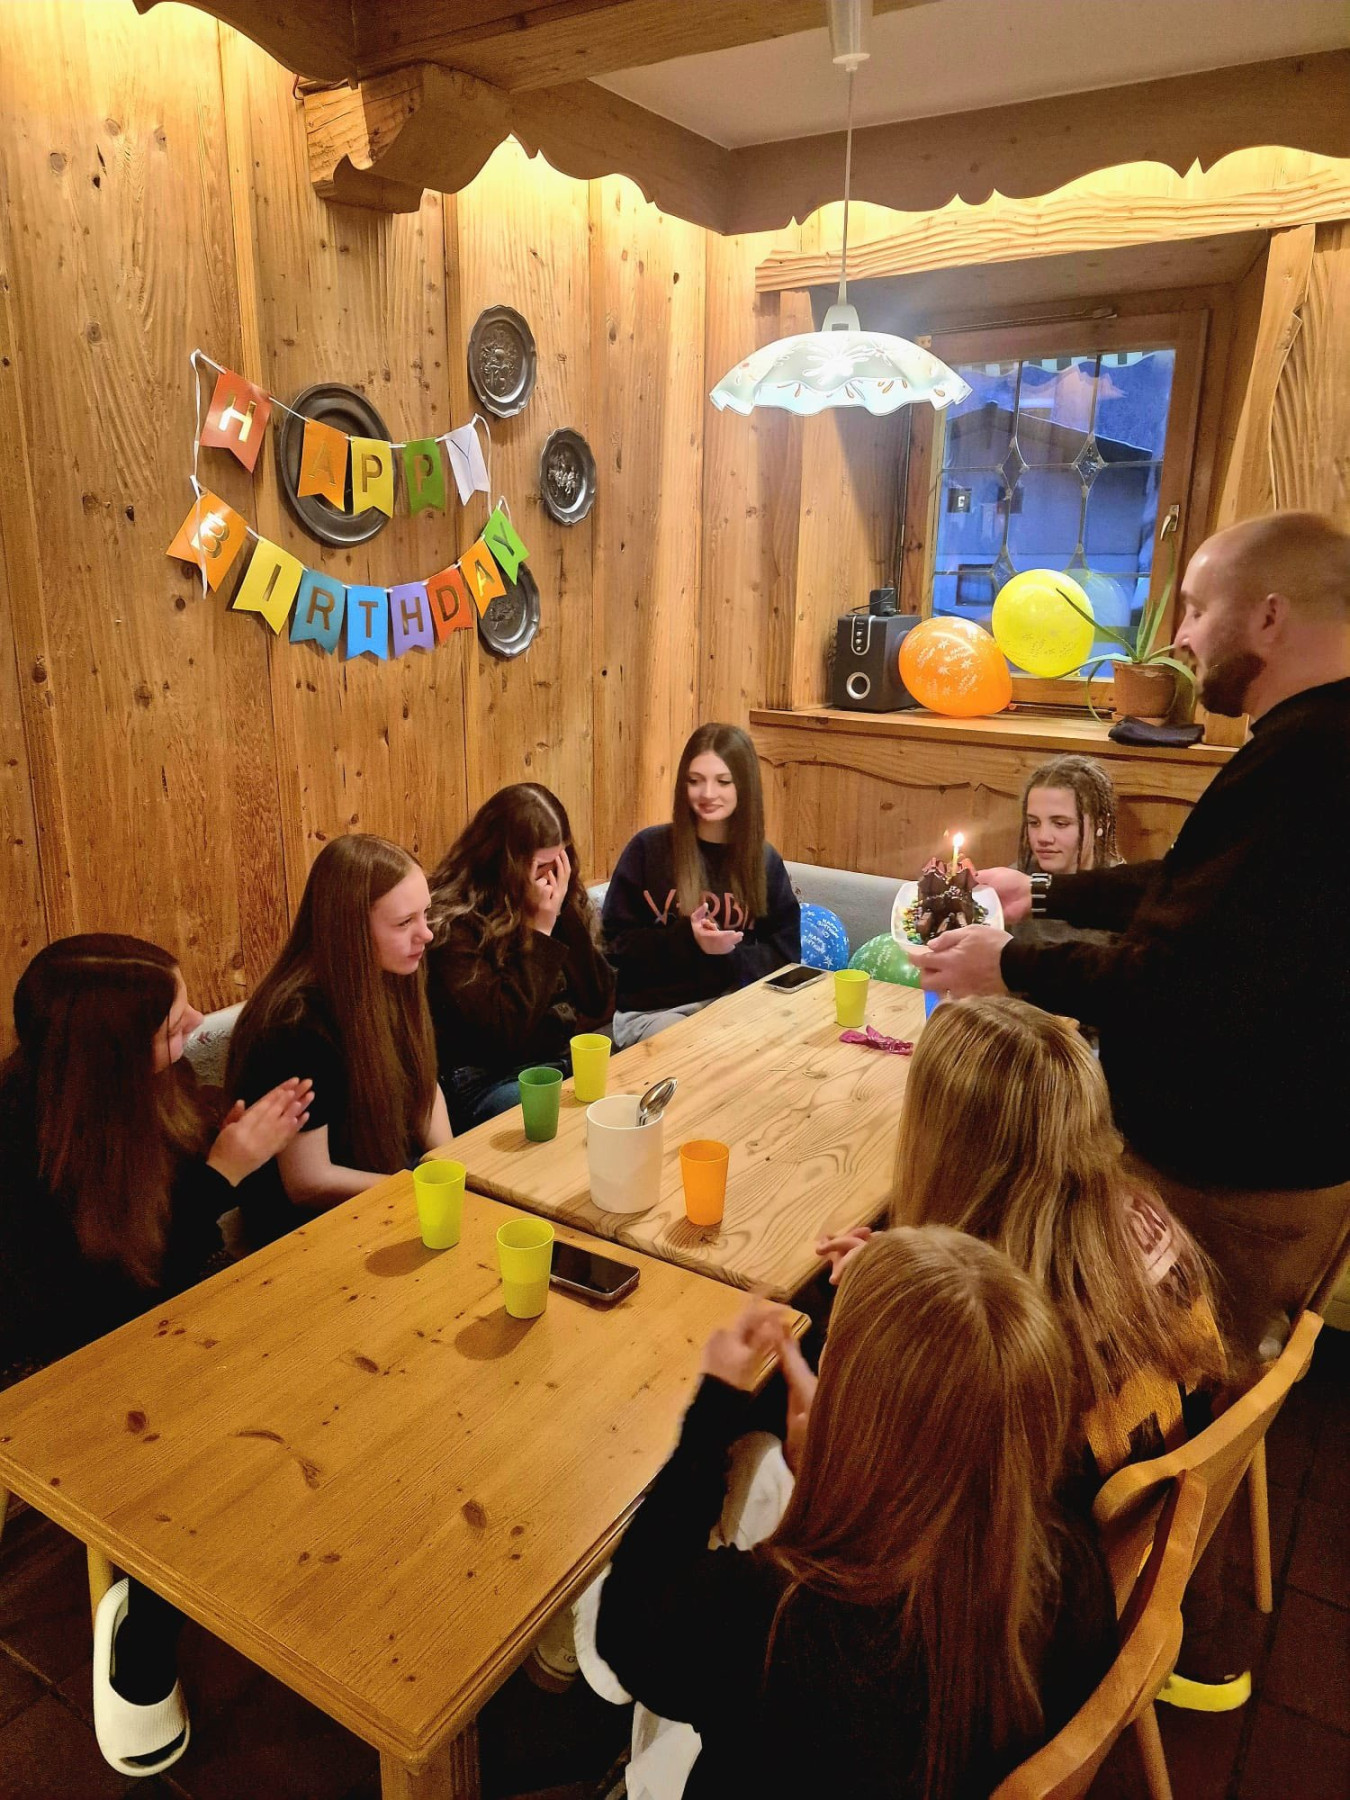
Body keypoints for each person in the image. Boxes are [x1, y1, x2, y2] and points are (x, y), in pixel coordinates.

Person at [909, 512, 1350, 1365]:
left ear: (1269, 616)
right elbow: (1192, 891)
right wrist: (1039, 891)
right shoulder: (1308, 745)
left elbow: (1182, 984)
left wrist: (1009, 964)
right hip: (1249, 1171)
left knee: (1133, 1381)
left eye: (1198, 608)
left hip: (1229, 1189)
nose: (1181, 636)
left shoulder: (1310, 763)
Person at [595, 1227, 1116, 1800]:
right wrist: (902, 1282)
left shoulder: (772, 1621)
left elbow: (625, 1629)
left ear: (854, 1429)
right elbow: (974, 1393)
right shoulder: (1073, 1569)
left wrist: (714, 1407)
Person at [0, 934, 311, 1776]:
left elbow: (165, 1250)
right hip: (55, 1367)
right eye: (174, 1026)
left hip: (157, 1321)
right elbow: (99, 1316)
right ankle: (142, 1622)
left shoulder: (142, 1093)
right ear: (107, 1057)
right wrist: (226, 1172)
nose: (198, 1024)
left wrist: (231, 1150)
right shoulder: (21, 1157)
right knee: (211, 1442)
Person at [818, 998, 1226, 1485]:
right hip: (1156, 1501)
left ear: (944, 1150)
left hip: (1041, 1524)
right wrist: (905, 1269)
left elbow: (857, 1473)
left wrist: (872, 1304)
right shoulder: (1143, 1211)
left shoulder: (983, 1337)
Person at [227, 834, 449, 1245]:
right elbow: (307, 1182)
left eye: (426, 914)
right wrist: (419, 1187)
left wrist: (452, 1166)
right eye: (405, 923)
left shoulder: (395, 972)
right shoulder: (294, 1027)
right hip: (308, 1232)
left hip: (388, 1188)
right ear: (351, 930)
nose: (427, 934)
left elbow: (424, 1081)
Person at [602, 723, 800, 1046]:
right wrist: (688, 940)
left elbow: (785, 956)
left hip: (734, 1003)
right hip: (654, 1011)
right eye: (695, 781)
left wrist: (726, 954)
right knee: (701, 1048)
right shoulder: (647, 849)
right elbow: (614, 948)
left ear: (744, 786)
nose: (707, 794)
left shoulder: (764, 861)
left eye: (723, 781)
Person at [1017, 753, 1121, 874]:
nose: (1042, 837)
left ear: (1101, 823)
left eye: (1060, 824)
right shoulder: (1013, 880)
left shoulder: (1122, 884)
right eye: (1034, 823)